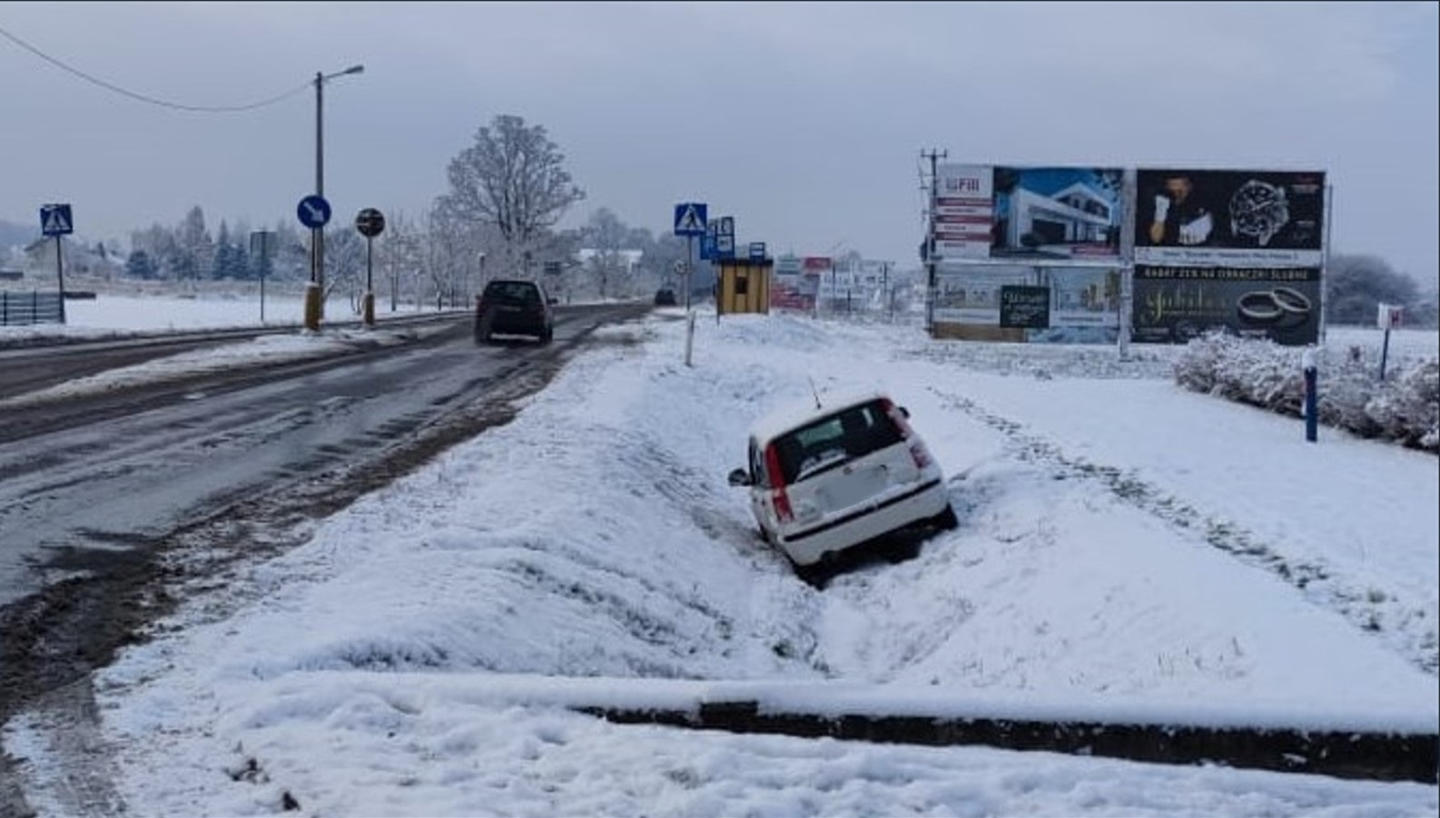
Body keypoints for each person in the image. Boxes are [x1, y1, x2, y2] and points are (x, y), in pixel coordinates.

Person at [1147, 175, 1215, 246]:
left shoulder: (1203, 200)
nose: (1176, 194)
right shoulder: (1161, 202)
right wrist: (1160, 213)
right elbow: (1156, 239)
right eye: (1172, 190)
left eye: (1180, 191)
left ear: (1189, 186)